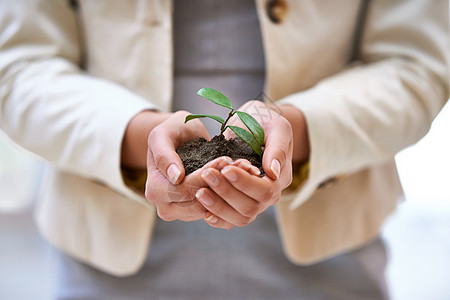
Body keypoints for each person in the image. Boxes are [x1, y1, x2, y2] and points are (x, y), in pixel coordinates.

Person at [0, 0, 448, 299]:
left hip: (330, 257)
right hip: (107, 260)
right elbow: (18, 67)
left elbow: (418, 65)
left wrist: (296, 129)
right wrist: (138, 135)